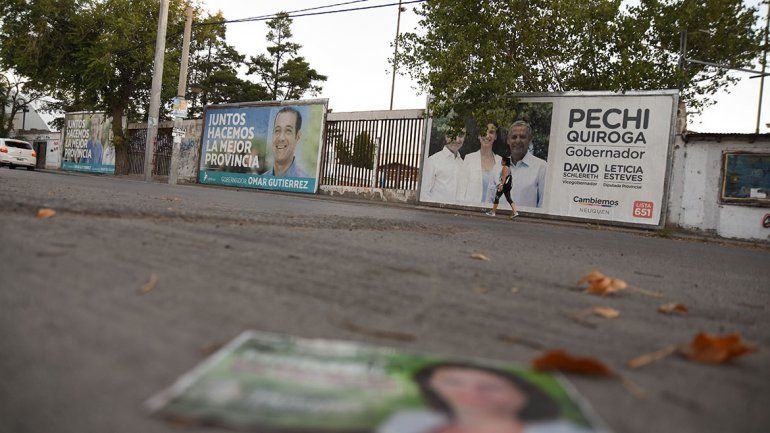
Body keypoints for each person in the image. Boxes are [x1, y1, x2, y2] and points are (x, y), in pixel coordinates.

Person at [377, 363, 598, 433]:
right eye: (452, 382)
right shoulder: (407, 421)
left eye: (490, 387)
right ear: (433, 387)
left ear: (522, 396)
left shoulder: (560, 431)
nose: (470, 393)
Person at [507, 120, 547, 208]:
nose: (517, 141)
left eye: (522, 137)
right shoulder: (498, 166)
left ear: (529, 140)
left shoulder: (541, 167)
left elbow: (543, 205)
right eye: (514, 137)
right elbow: (489, 202)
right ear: (508, 141)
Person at [461, 123, 502, 205]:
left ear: (495, 136)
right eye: (483, 132)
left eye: (491, 132)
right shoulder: (469, 159)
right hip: (471, 212)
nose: (487, 136)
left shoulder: (501, 162)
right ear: (479, 136)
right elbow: (461, 193)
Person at [422, 128, 465, 203]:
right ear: (446, 136)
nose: (457, 139)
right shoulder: (433, 161)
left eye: (461, 135)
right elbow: (424, 193)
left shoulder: (463, 163)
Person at [267, 107, 310, 178]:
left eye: (288, 131)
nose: (281, 138)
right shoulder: (262, 179)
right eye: (277, 130)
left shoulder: (305, 182)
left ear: (297, 136)